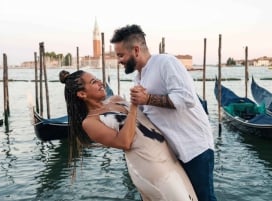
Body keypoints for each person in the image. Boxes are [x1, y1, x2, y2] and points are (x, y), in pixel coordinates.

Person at [110, 24, 217, 201]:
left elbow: (186, 98)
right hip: (172, 153)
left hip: (194, 148)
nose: (119, 60)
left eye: (121, 55)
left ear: (136, 50)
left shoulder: (166, 63)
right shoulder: (139, 77)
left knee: (203, 198)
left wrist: (147, 99)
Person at [59, 70, 198, 201]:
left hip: (168, 157)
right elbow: (124, 142)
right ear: (82, 94)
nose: (101, 83)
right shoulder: (90, 122)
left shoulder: (116, 99)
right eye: (93, 82)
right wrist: (133, 106)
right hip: (150, 166)